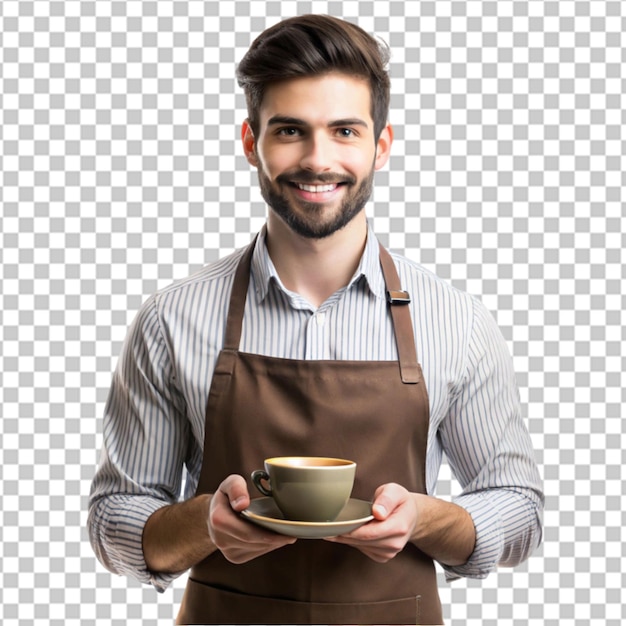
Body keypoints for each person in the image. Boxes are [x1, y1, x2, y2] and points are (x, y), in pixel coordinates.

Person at [88, 14, 544, 625]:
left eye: (345, 131)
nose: (317, 159)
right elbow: (115, 519)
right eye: (290, 131)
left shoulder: (456, 320)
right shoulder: (173, 318)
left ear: (380, 146)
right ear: (252, 142)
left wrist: (425, 516)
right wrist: (206, 523)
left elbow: (519, 508)